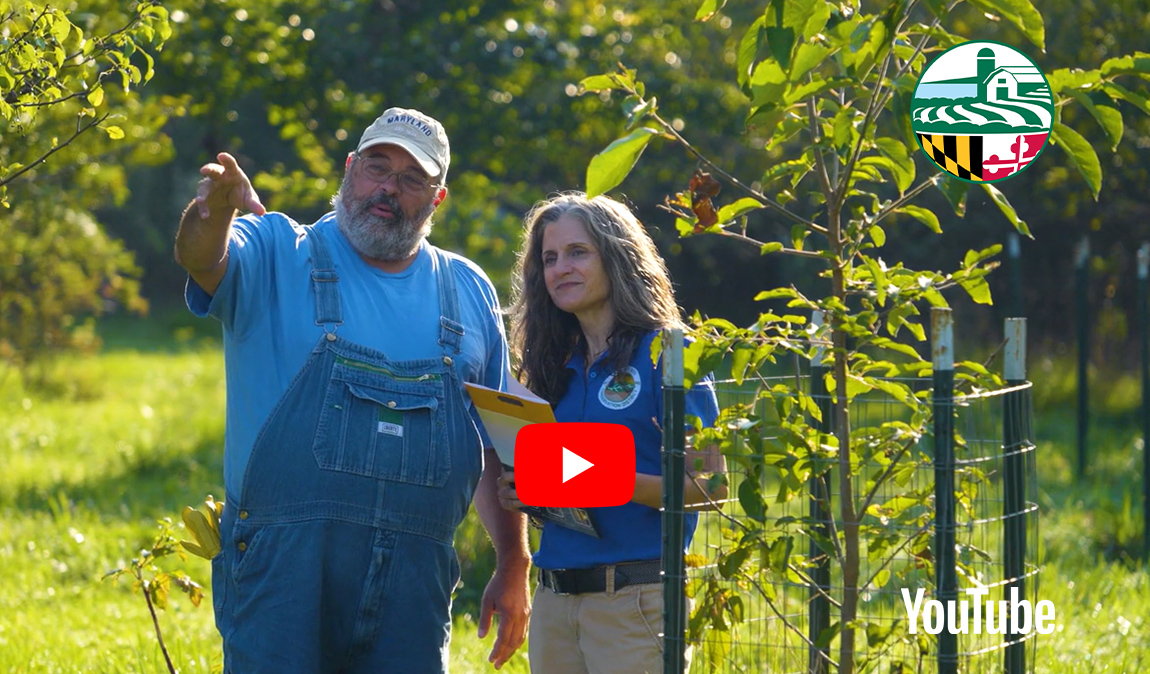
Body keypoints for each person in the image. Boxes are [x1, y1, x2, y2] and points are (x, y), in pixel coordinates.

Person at [173, 107, 531, 673]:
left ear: (437, 199)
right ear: (349, 168)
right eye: (377, 166)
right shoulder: (275, 249)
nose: (387, 188)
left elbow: (495, 443)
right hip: (283, 570)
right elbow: (202, 257)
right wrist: (212, 212)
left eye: (413, 179)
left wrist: (514, 560)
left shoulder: (465, 289)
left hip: (415, 580)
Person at [498, 193, 726, 674]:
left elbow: (711, 487)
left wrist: (608, 478)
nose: (561, 268)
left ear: (617, 255)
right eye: (549, 258)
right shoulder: (551, 367)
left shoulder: (671, 353)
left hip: (634, 603)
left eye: (578, 252)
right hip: (555, 603)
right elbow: (564, 488)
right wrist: (526, 490)